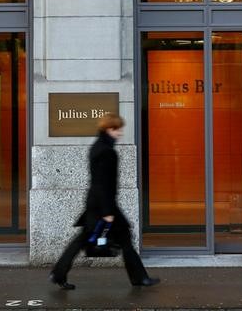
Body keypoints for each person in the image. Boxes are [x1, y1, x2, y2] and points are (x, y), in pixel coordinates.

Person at [48, 113, 160, 289]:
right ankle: (139, 278)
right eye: (118, 129)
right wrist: (107, 212)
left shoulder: (98, 147)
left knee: (87, 239)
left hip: (97, 203)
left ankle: (58, 273)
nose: (120, 133)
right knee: (118, 238)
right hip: (104, 204)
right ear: (110, 129)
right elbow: (102, 183)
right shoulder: (107, 151)